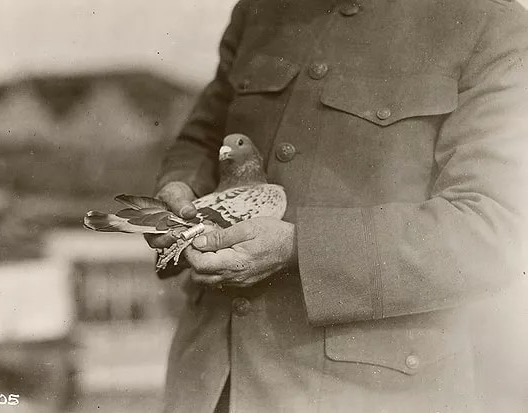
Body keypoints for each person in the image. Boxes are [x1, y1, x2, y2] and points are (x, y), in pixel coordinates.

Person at [146, 0, 528, 411]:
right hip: (208, 384)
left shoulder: (491, 23)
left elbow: (493, 228)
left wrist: (299, 248)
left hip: (365, 394)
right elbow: (204, 137)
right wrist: (179, 187)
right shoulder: (258, 10)